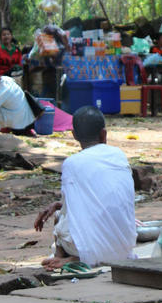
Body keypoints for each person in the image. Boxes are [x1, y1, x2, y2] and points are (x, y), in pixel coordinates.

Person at [34, 105, 137, 271]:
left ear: (74, 135)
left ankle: (66, 257)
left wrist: (57, 206)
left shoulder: (71, 164)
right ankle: (76, 256)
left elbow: (72, 208)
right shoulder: (119, 155)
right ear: (104, 134)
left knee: (59, 218)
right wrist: (58, 204)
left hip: (89, 252)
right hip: (123, 248)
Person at [0, 65, 36, 136]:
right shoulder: (5, 79)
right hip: (28, 120)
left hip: (18, 125)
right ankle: (8, 127)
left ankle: (8, 127)